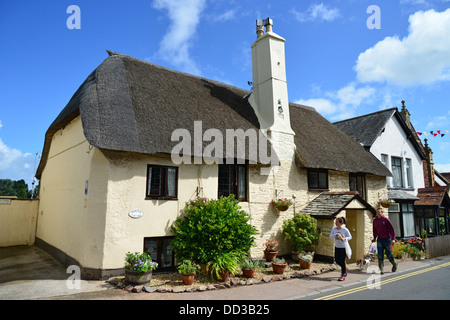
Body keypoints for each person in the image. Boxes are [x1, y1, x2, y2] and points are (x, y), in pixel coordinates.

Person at [372, 207, 397, 274]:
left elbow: (392, 230)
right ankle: (381, 269)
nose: (378, 213)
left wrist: (393, 239)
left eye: (379, 212)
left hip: (387, 239)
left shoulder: (386, 220)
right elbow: (374, 230)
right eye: (377, 212)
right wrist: (374, 238)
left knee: (388, 253)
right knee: (380, 254)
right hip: (380, 239)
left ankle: (394, 263)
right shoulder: (375, 220)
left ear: (382, 213)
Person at [329, 217, 352, 281]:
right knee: (337, 260)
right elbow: (330, 236)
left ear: (341, 223)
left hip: (343, 247)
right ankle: (345, 269)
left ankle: (343, 275)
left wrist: (345, 238)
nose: (335, 223)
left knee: (342, 260)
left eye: (337, 222)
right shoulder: (334, 229)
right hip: (337, 247)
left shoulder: (345, 230)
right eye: (335, 222)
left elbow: (350, 237)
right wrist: (335, 235)